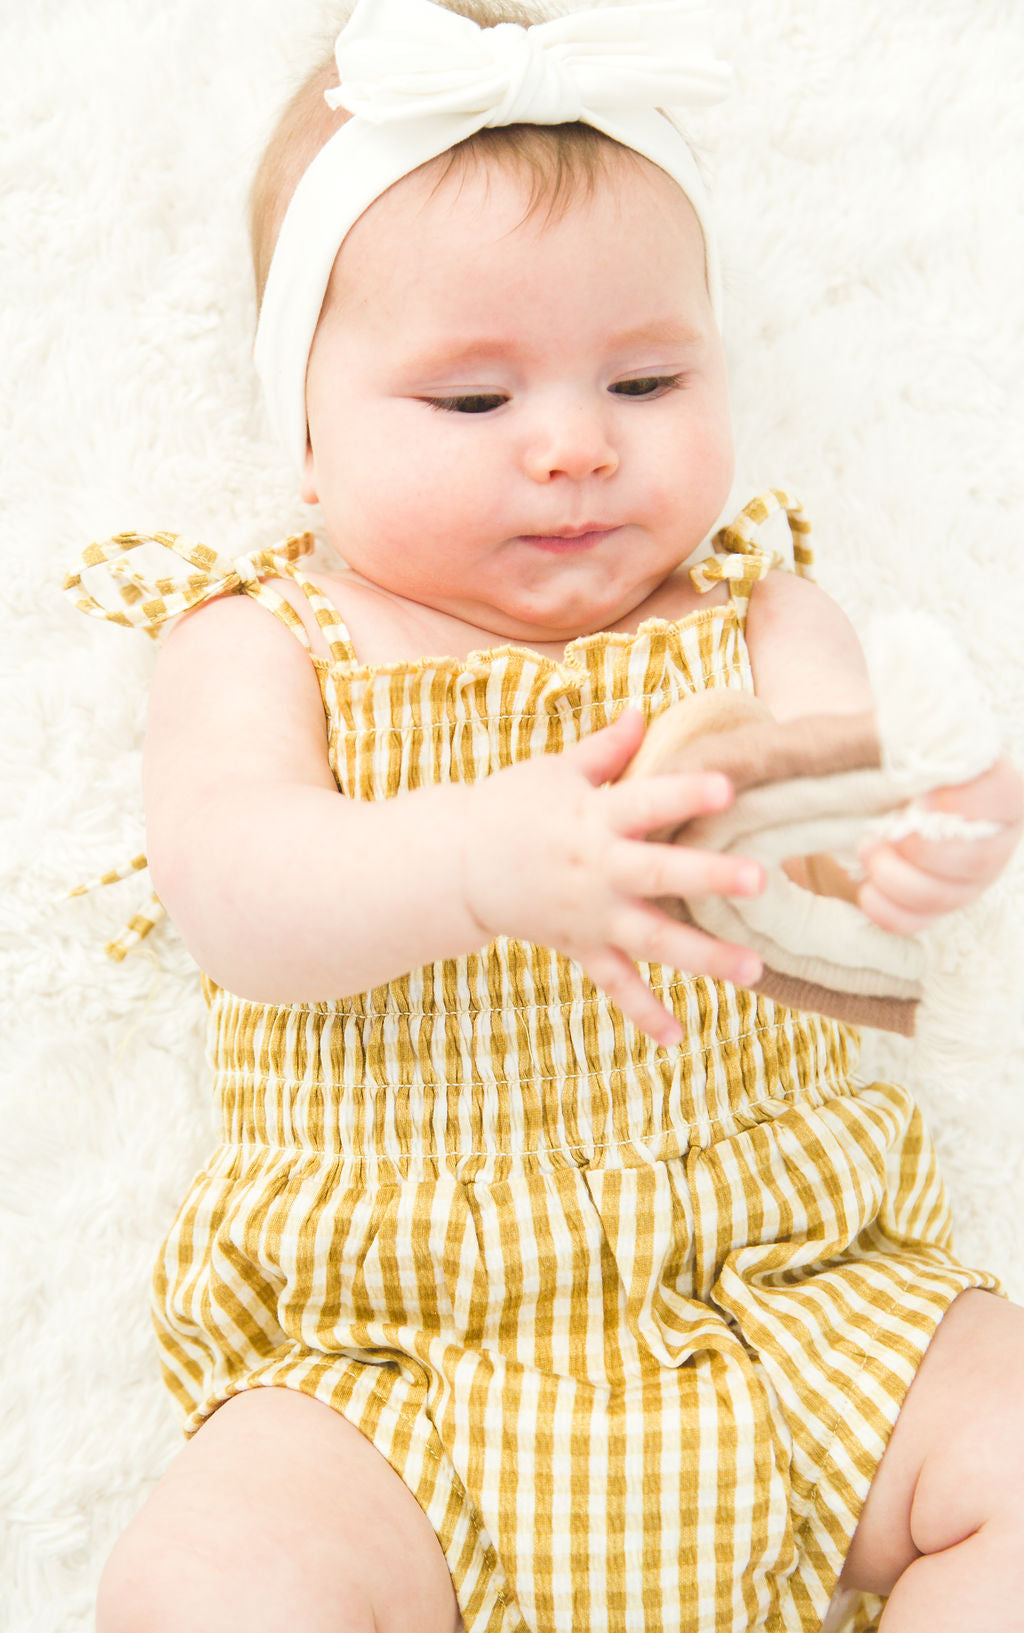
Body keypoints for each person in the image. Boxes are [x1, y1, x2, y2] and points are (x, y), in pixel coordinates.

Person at [66, 0, 1024, 1629]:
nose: (577, 446)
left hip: (787, 1280)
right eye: (472, 403)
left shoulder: (754, 612)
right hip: (398, 1351)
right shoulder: (264, 642)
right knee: (204, 1582)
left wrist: (914, 841)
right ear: (303, 435)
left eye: (644, 378)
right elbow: (236, 892)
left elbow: (842, 837)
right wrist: (472, 859)